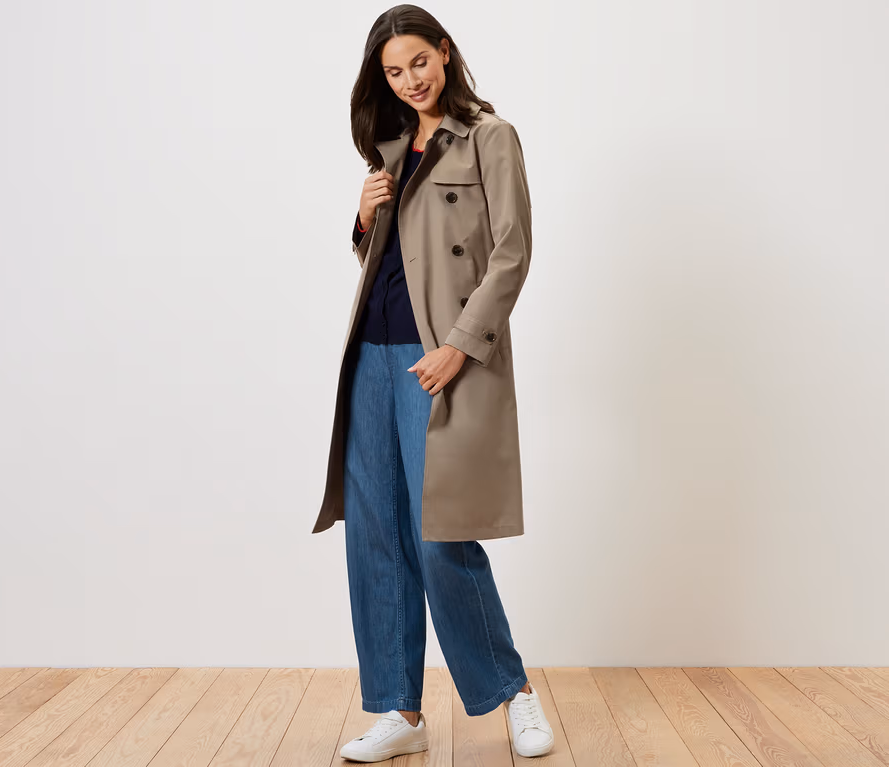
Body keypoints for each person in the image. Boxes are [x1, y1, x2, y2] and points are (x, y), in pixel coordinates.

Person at [315, 4, 554, 761]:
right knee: (377, 536)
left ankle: (513, 691)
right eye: (393, 71)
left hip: (437, 360)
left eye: (419, 61)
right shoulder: (390, 148)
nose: (409, 80)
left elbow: (511, 254)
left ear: (445, 53)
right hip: (371, 355)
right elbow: (393, 262)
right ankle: (400, 710)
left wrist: (458, 347)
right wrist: (362, 222)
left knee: (440, 534)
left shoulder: (489, 137)